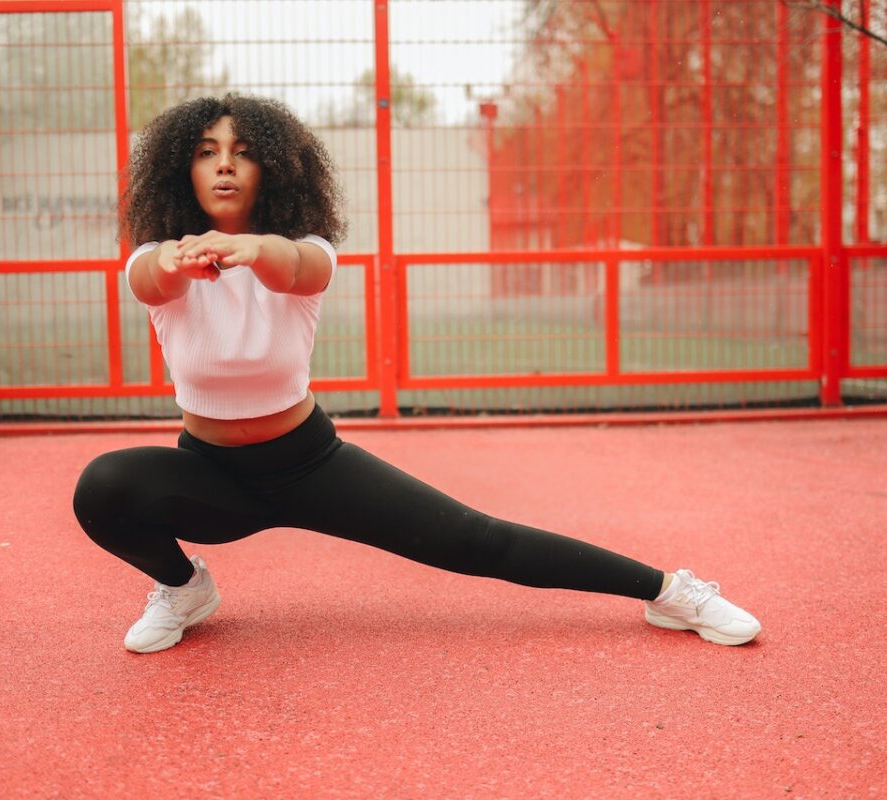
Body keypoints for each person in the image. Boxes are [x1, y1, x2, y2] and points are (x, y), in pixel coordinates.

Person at [73, 93, 761, 654]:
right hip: (213, 478)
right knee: (103, 486)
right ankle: (184, 588)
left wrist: (250, 248)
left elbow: (296, 266)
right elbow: (149, 282)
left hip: (308, 464)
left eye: (244, 153)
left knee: (476, 539)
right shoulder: (161, 257)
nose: (225, 167)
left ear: (274, 171)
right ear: (181, 171)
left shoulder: (301, 251)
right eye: (206, 153)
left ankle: (671, 591)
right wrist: (177, 262)